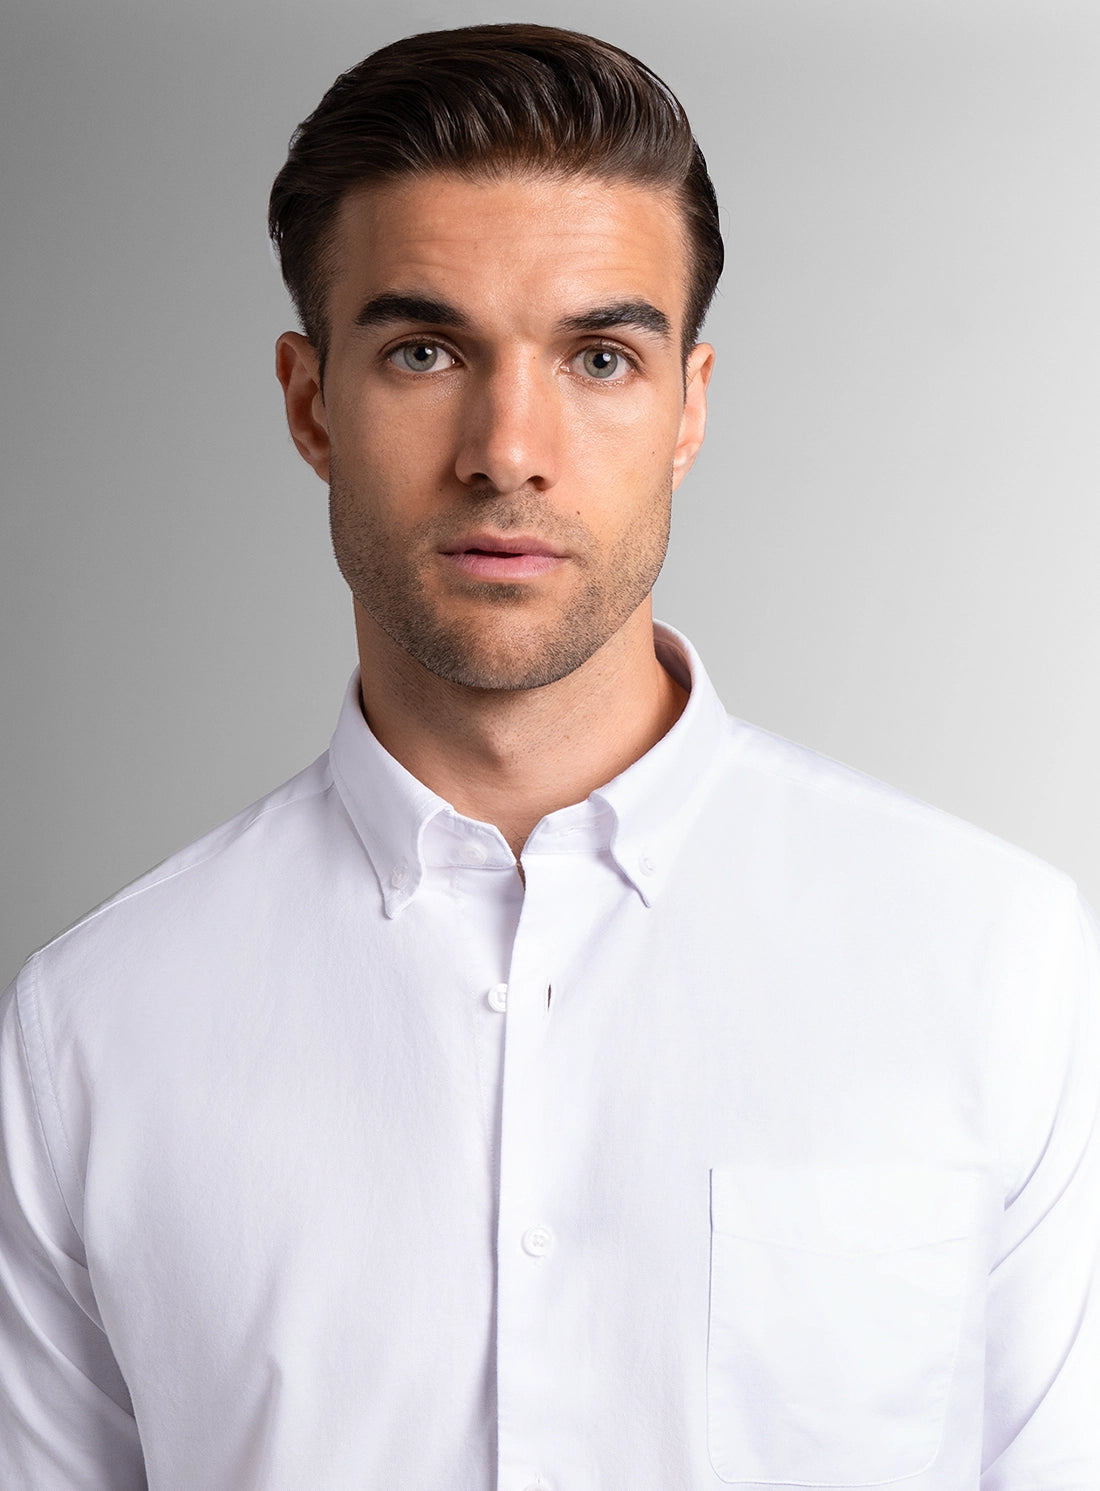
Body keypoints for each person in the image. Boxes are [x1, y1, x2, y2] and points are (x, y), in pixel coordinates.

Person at [1, 21, 1097, 1490]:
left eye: (598, 354)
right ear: (311, 402)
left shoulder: (999, 964)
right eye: (424, 349)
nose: (507, 448)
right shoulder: (93, 1031)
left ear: (688, 406)